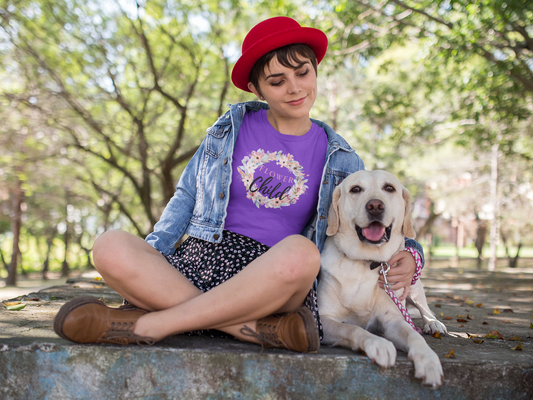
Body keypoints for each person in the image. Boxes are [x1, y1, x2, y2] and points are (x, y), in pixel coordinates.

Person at [53, 16, 424, 353]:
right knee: (109, 245)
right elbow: (186, 195)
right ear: (256, 88)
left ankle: (152, 323)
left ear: (315, 71)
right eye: (277, 81)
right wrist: (153, 257)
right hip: (202, 259)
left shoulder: (343, 160)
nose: (294, 88)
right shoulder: (229, 128)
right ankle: (252, 329)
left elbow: (379, 217)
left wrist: (413, 253)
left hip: (274, 275)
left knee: (303, 254)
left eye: (303, 73)